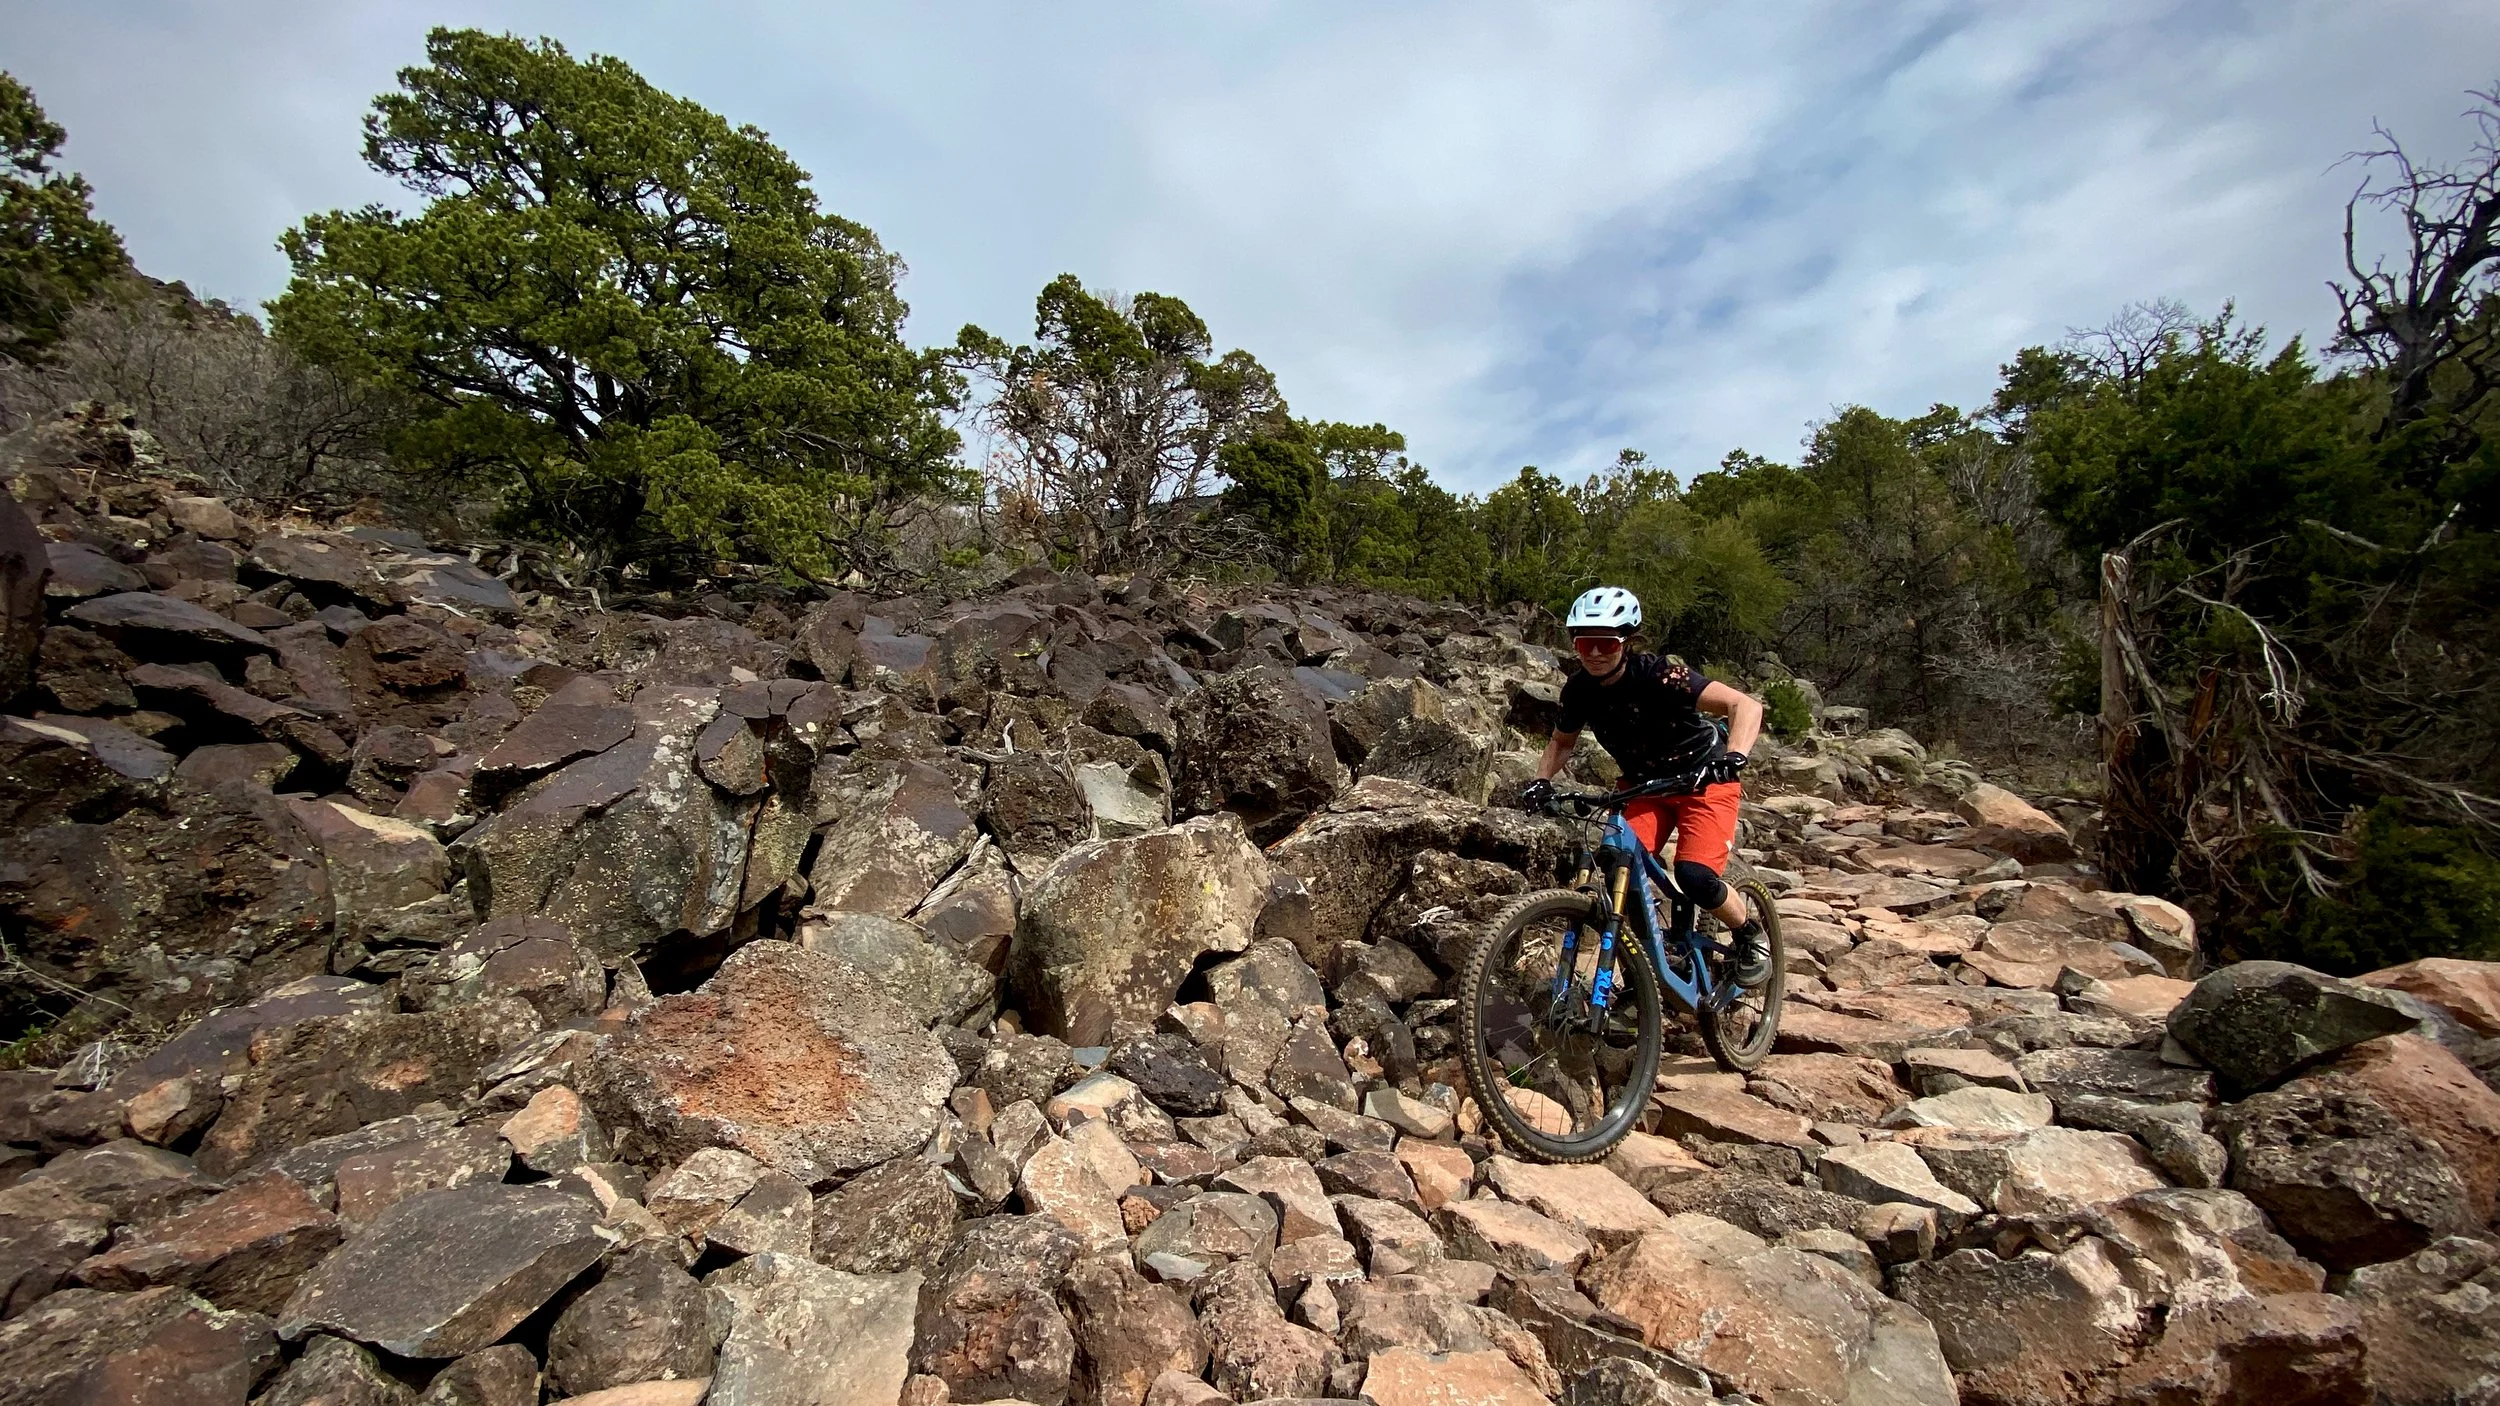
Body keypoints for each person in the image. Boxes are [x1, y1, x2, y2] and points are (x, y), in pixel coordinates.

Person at [1520, 585, 1772, 985]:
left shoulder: (1661, 676)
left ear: (1627, 641)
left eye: (1607, 643)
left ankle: (1748, 936)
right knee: (1620, 865)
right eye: (1586, 643)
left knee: (1695, 876)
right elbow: (1561, 741)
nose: (1596, 653)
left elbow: (1745, 705)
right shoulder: (1579, 689)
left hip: (1703, 779)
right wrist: (1540, 782)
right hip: (1643, 786)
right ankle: (1645, 981)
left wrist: (1734, 756)